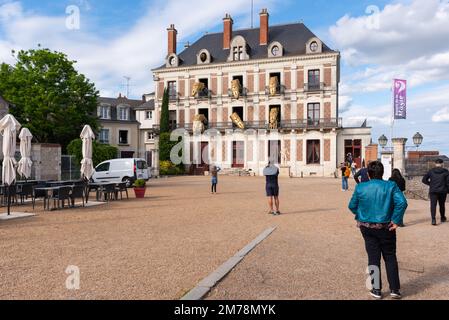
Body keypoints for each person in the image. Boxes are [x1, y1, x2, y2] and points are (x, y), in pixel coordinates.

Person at [349, 161, 408, 300]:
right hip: (386, 227)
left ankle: (376, 290)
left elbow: (352, 206)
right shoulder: (391, 185)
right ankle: (394, 289)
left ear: (368, 174)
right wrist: (396, 220)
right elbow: (402, 202)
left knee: (373, 257)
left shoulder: (361, 187)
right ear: (382, 173)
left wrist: (361, 214)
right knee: (390, 257)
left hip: (367, 227)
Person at [422, 159, 449, 226]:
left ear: (435, 164)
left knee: (433, 205)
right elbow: (448, 183)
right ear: (442, 164)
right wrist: (448, 190)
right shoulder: (446, 171)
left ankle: (433, 220)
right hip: (443, 191)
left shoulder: (431, 171)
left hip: (433, 191)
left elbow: (424, 180)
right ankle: (442, 218)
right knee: (442, 205)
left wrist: (430, 184)